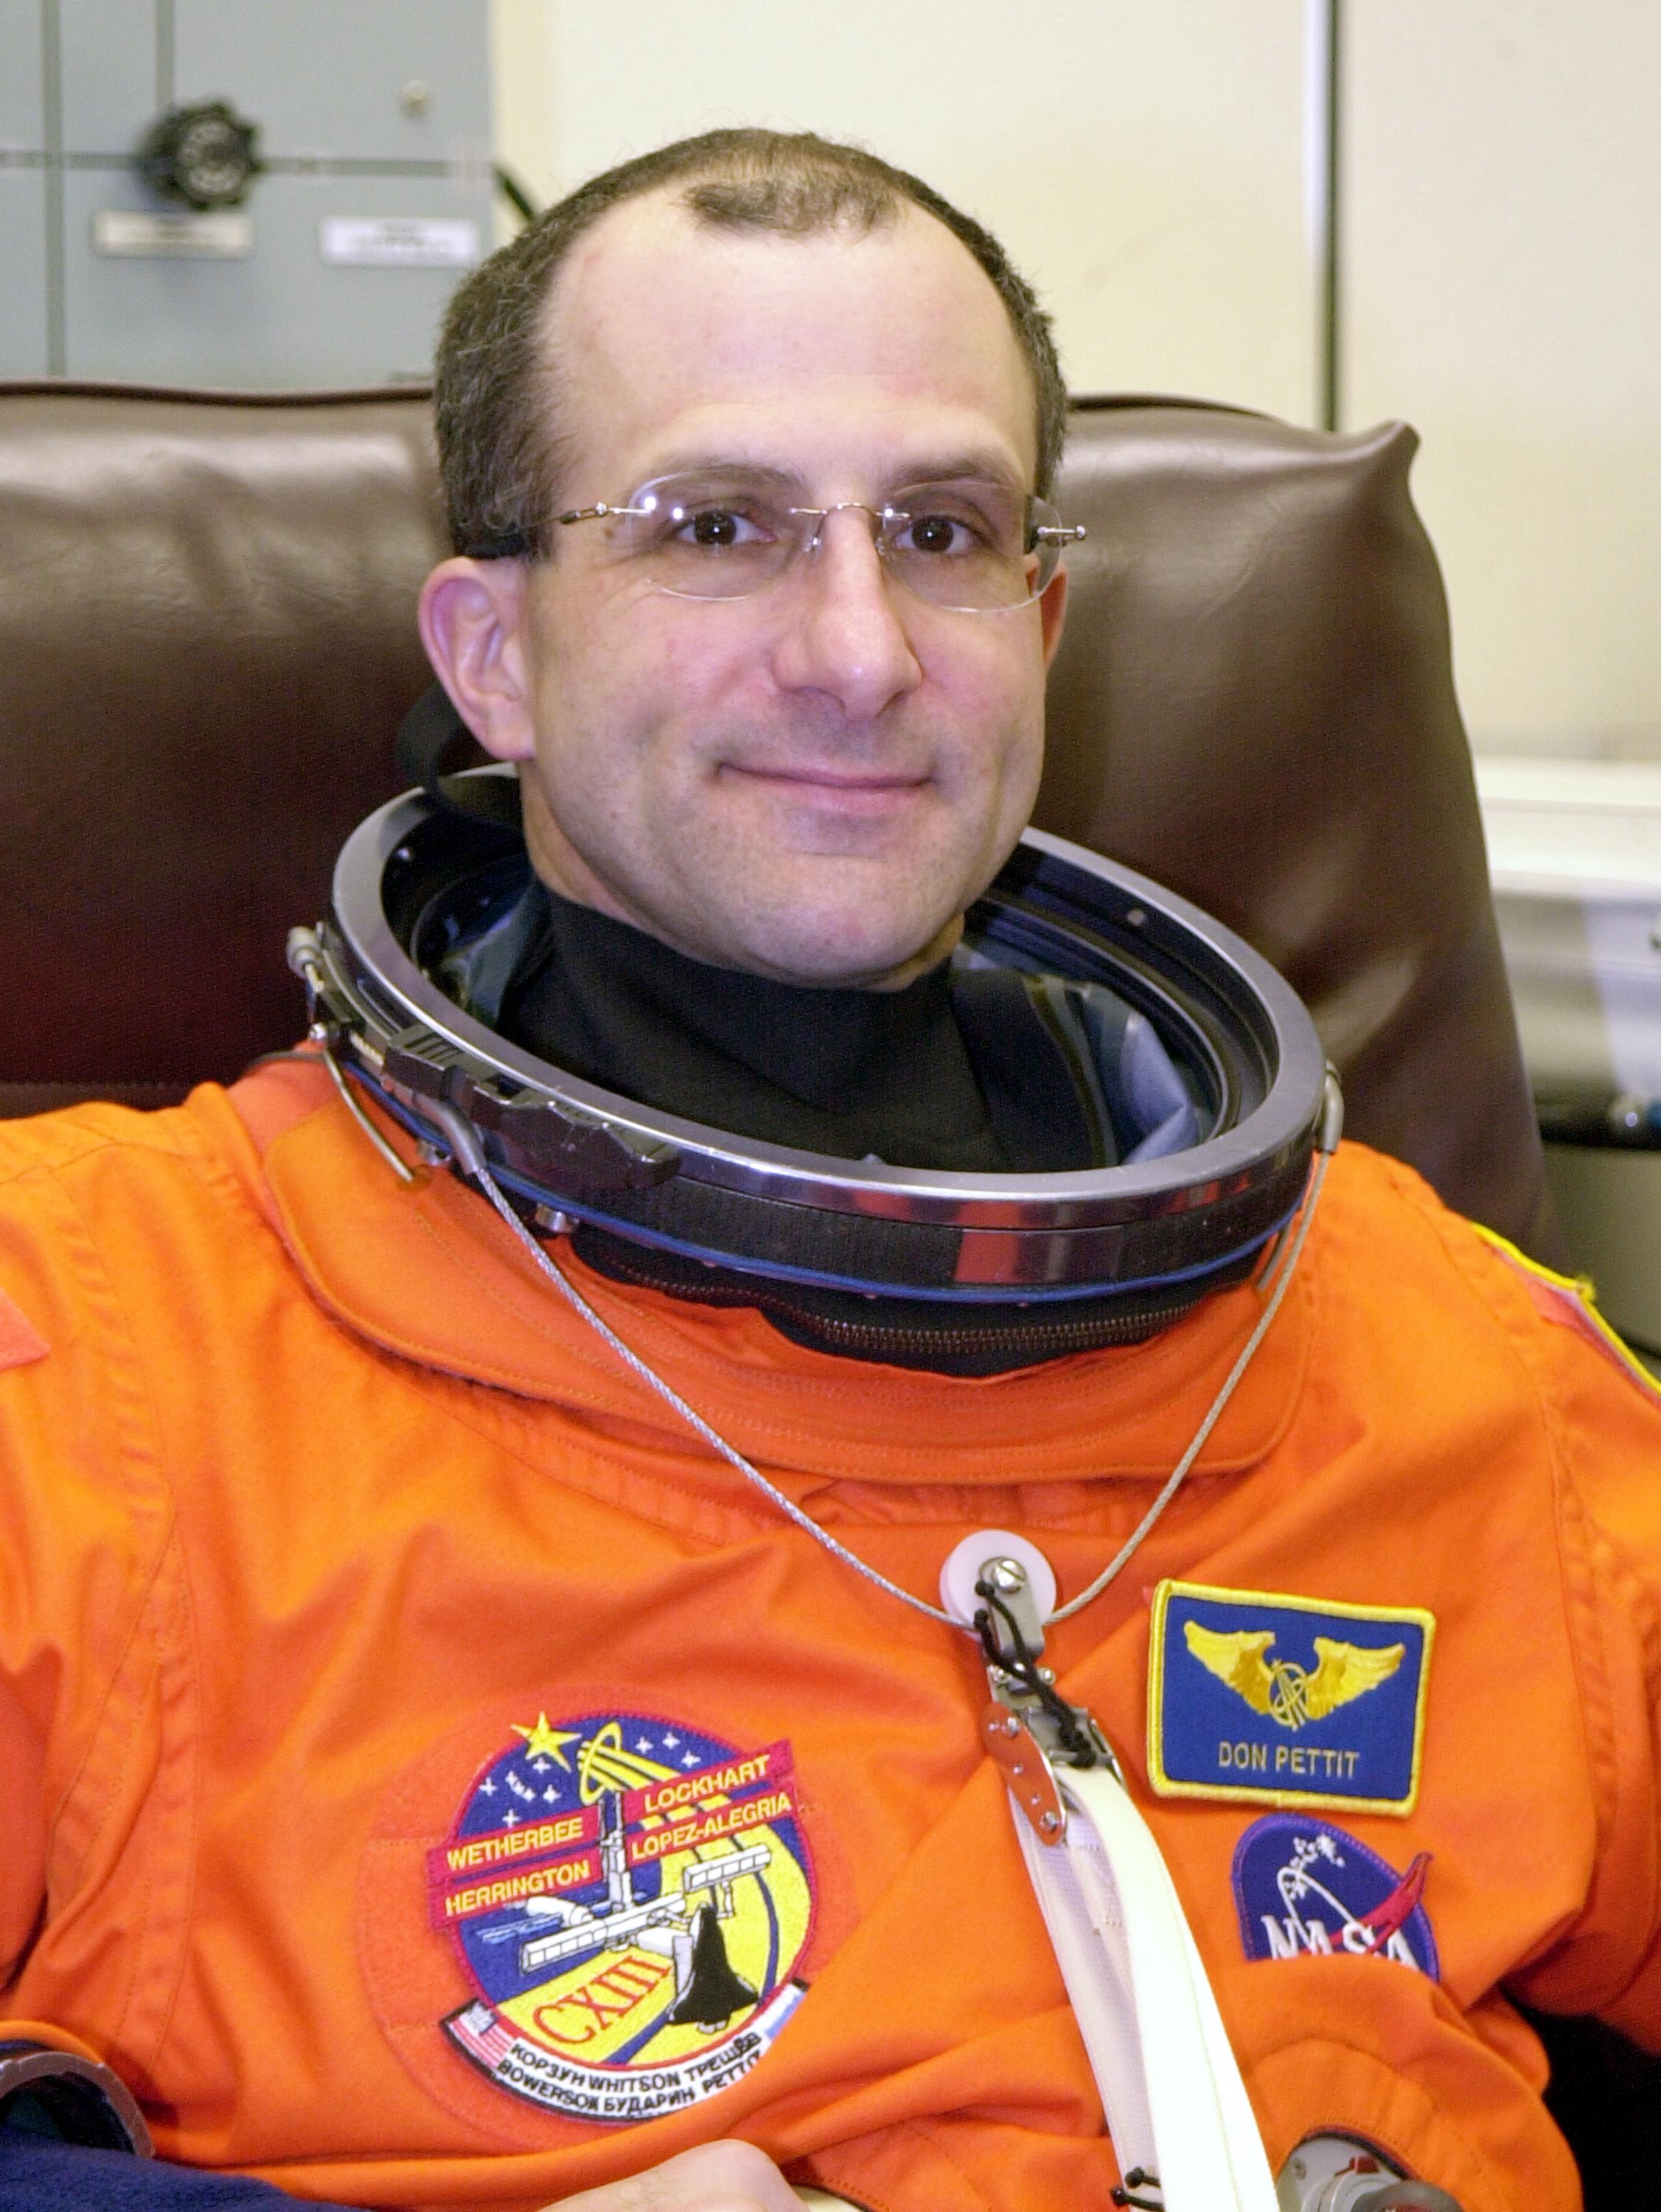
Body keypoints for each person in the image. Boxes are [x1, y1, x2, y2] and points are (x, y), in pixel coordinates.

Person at [1, 128, 1659, 2212]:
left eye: (944, 532)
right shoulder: (101, 1356)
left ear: (1043, 624)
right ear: (492, 654)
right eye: (720, 527)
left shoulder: (1445, 1353)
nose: (862, 654)